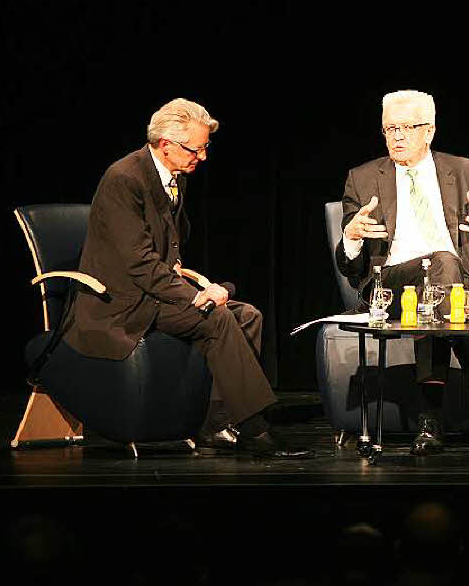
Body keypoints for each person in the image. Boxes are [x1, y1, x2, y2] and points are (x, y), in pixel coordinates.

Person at [64, 98, 311, 458]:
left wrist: (195, 287)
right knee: (218, 317)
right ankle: (256, 431)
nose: (203, 157)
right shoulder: (124, 179)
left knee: (248, 315)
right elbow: (139, 264)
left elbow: (168, 251)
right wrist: (193, 295)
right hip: (120, 302)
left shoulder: (173, 176)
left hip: (155, 293)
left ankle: (216, 424)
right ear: (167, 145)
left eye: (205, 147)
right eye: (197, 149)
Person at [336, 89, 469, 455]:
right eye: (389, 129)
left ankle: (430, 422)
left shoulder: (467, 172)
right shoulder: (362, 178)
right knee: (442, 267)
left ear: (429, 131)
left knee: (441, 277)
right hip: (391, 287)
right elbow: (350, 268)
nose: (396, 137)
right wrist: (350, 238)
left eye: (406, 128)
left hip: (458, 287)